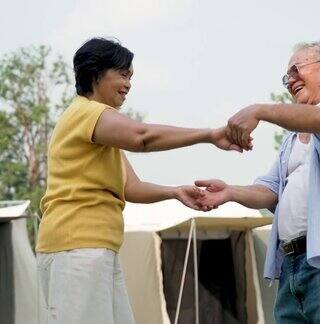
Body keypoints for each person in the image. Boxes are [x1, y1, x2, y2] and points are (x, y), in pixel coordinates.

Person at [35, 37, 247, 324]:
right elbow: (142, 137)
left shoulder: (100, 131)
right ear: (95, 74)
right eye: (123, 74)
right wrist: (209, 135)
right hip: (76, 247)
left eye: (131, 77)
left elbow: (130, 188)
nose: (129, 84)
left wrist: (174, 192)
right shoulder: (86, 113)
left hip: (96, 247)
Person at [196, 41, 320, 323]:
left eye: (296, 70)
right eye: (286, 77)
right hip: (293, 266)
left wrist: (259, 111)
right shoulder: (291, 141)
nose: (290, 81)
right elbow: (270, 189)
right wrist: (230, 192)